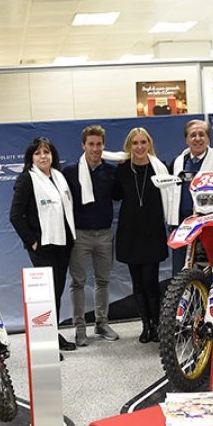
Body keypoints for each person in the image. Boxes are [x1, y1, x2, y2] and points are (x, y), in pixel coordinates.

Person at [9, 137, 77, 351]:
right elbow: (15, 215)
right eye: (38, 153)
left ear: (52, 155)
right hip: (43, 246)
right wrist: (32, 241)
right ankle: (46, 342)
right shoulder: (27, 179)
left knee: (56, 292)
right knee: (47, 295)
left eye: (46, 152)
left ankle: (52, 334)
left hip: (63, 244)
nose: (43, 156)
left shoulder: (58, 176)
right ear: (31, 158)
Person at [112, 127, 171, 343]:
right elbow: (115, 195)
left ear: (149, 144)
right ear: (129, 146)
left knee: (150, 281)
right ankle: (145, 325)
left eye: (143, 142)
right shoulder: (122, 169)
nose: (139, 147)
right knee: (137, 282)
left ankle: (157, 325)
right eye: (135, 143)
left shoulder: (160, 167)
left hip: (152, 232)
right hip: (130, 233)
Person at [63, 125, 119, 346]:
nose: (95, 149)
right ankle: (79, 326)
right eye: (91, 144)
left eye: (99, 144)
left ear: (104, 145)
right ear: (83, 145)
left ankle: (101, 323)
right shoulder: (70, 171)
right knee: (78, 282)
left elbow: (115, 196)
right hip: (79, 235)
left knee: (103, 281)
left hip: (104, 234)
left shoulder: (111, 170)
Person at [168, 119, 213, 273]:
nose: (197, 138)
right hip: (181, 225)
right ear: (186, 139)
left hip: (210, 226)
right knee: (179, 274)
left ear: (208, 138)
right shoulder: (177, 163)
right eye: (193, 135)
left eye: (201, 134)